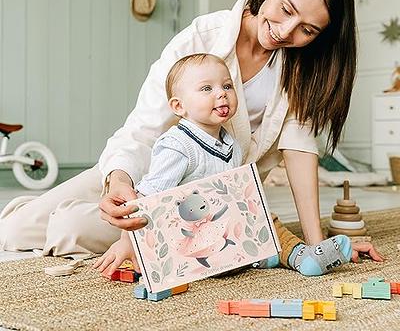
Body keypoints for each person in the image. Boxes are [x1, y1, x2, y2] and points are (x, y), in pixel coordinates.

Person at [0, 0, 383, 268]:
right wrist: (118, 181)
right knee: (12, 231)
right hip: (146, 168)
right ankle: (61, 207)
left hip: (203, 200)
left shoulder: (300, 70)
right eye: (286, 9)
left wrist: (316, 245)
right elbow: (143, 128)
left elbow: (299, 151)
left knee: (69, 226)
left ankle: (85, 220)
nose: (286, 31)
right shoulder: (204, 36)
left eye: (307, 30)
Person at [93, 53, 374, 278]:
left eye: (227, 86)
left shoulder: (232, 142)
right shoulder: (177, 146)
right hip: (190, 230)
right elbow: (147, 199)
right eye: (206, 89)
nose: (222, 94)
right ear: (179, 106)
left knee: (266, 218)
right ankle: (260, 256)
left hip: (222, 221)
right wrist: (128, 243)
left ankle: (303, 256)